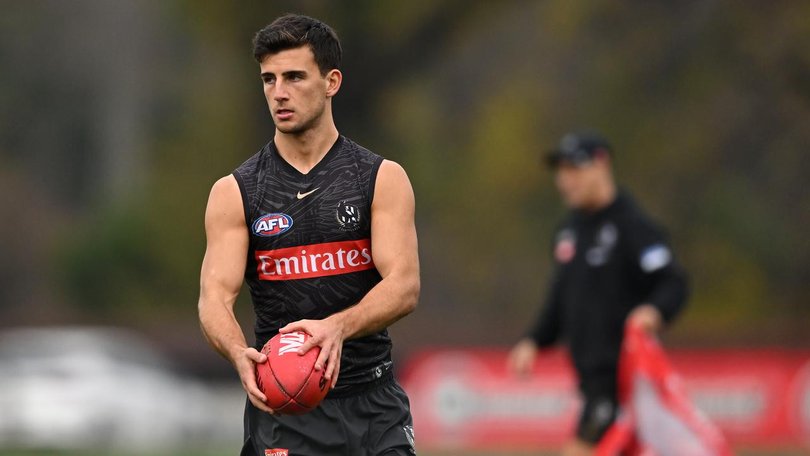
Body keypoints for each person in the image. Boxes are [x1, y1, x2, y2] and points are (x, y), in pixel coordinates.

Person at [197, 14, 420, 456]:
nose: (279, 92)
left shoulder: (380, 178)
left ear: (331, 81)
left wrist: (338, 327)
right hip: (284, 415)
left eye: (295, 77)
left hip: (372, 408)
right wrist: (238, 352)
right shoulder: (236, 191)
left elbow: (405, 286)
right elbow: (213, 298)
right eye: (269, 79)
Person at [508, 131, 689, 456]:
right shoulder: (569, 231)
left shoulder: (633, 226)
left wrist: (653, 311)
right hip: (592, 383)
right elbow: (560, 300)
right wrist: (534, 340)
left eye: (574, 169)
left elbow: (674, 282)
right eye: (561, 171)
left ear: (602, 165)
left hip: (623, 381)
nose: (565, 180)